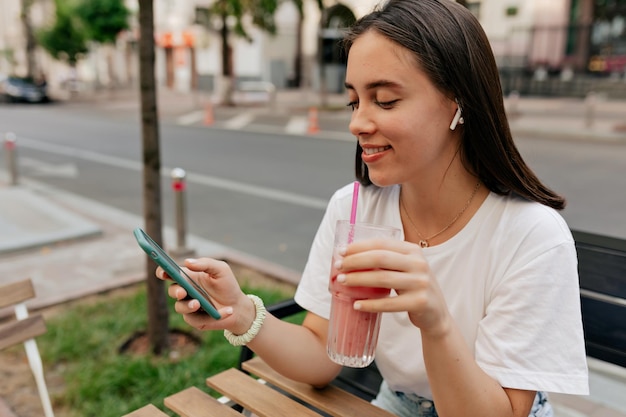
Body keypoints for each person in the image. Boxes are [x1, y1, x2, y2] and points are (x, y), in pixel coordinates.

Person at [157, 1, 589, 416]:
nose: (357, 123)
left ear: (457, 102)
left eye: (384, 100)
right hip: (397, 402)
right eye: (354, 101)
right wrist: (242, 312)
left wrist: (435, 321)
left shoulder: (531, 236)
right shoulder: (354, 209)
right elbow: (322, 358)